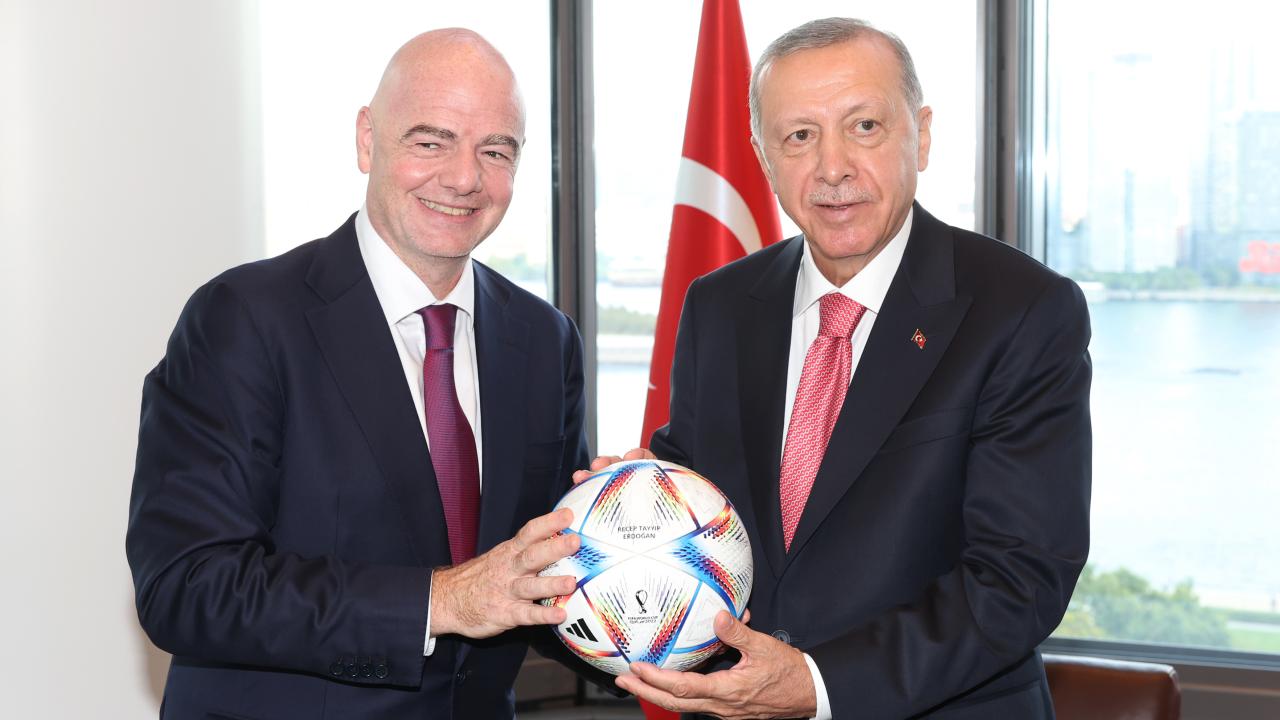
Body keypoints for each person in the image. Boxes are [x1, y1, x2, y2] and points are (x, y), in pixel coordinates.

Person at [589, 18, 1092, 719]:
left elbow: (1018, 577)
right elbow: (705, 495)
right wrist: (641, 499)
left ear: (921, 135)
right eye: (799, 136)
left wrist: (817, 684)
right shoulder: (720, 304)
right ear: (763, 157)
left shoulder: (1022, 310)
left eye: (864, 127)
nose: (832, 168)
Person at [126, 29, 594, 718]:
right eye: (431, 141)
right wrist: (442, 601)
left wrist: (635, 544)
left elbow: (536, 578)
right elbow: (187, 585)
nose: (465, 177)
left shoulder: (545, 339)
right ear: (367, 140)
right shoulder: (244, 318)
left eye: (496, 151)